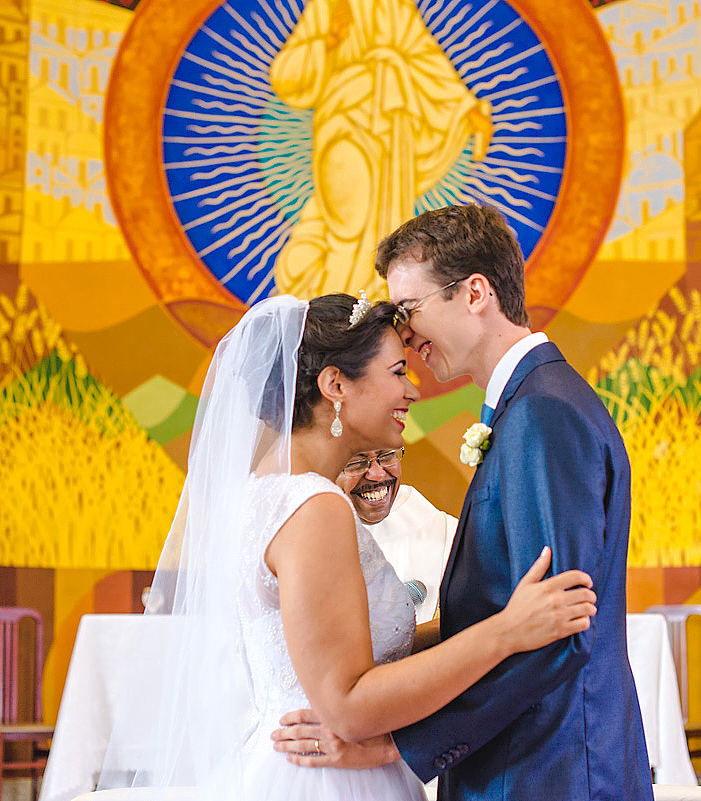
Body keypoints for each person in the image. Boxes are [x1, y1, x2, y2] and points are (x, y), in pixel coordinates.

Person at [90, 292, 597, 801]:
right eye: (398, 371)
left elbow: (350, 650)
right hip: (330, 780)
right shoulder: (315, 506)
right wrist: (508, 632)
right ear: (335, 385)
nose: (412, 391)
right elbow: (349, 704)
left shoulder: (264, 494)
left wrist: (487, 619)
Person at [273, 206, 653, 801]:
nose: (405, 335)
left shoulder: (544, 413)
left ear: (475, 292)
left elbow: (559, 627)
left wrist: (395, 745)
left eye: (410, 310)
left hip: (548, 773)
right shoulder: (525, 407)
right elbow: (509, 615)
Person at [268, 0, 493, 299]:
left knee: (383, 232)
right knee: (350, 224)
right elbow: (287, 75)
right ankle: (337, 318)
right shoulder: (329, 6)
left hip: (391, 132)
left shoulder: (395, 7)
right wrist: (328, 40)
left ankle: (368, 309)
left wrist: (466, 107)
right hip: (344, 120)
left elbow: (426, 59)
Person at [336, 447, 457, 623]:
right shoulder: (303, 543)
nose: (377, 474)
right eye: (356, 463)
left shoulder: (449, 534)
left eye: (386, 456)